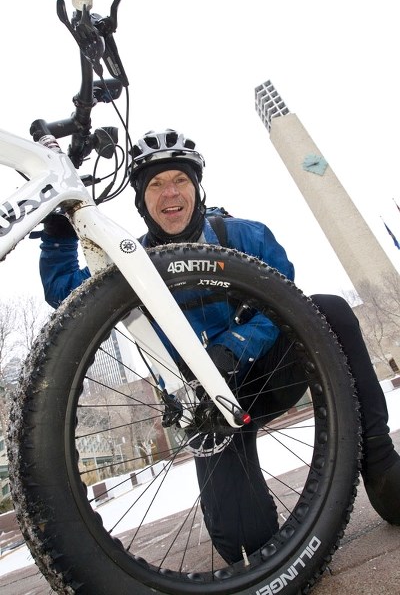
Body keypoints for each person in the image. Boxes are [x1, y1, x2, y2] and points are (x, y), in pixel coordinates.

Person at [37, 129, 400, 563]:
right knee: (248, 548)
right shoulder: (131, 266)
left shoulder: (245, 236)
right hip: (208, 410)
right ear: (140, 200)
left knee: (329, 311)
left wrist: (234, 346)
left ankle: (382, 466)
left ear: (197, 188)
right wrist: (58, 232)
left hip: (266, 371)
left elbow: (291, 305)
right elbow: (66, 296)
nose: (169, 193)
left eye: (179, 180)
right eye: (155, 184)